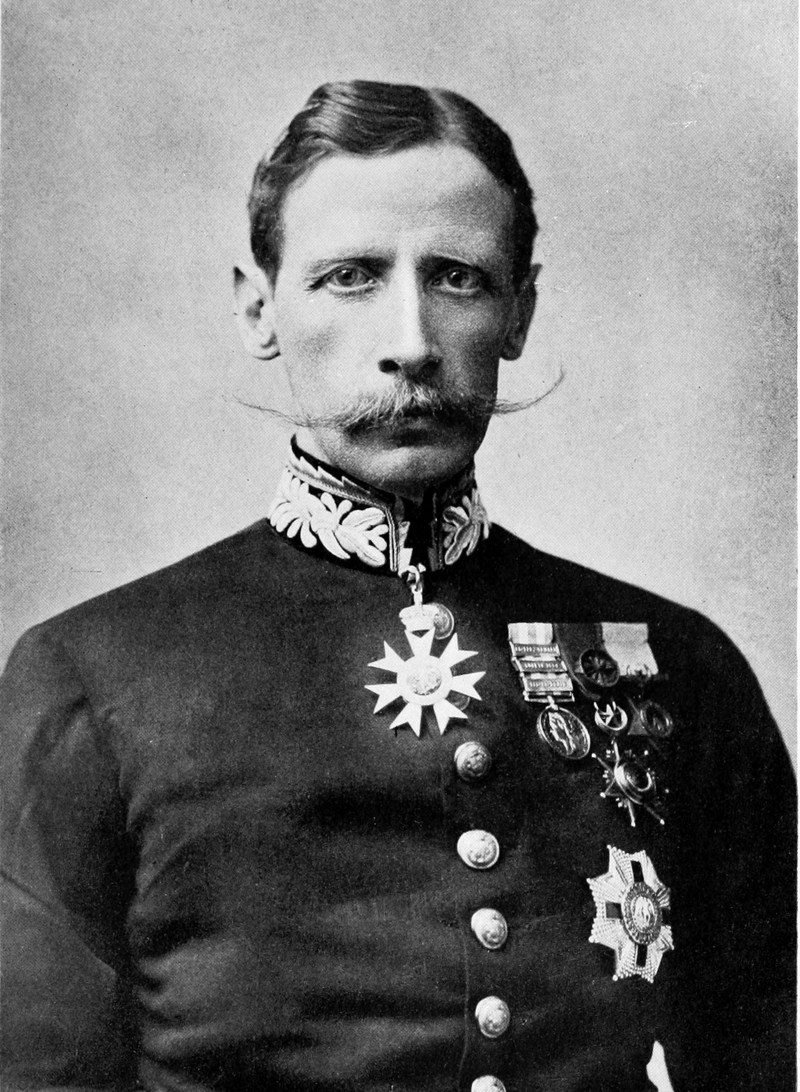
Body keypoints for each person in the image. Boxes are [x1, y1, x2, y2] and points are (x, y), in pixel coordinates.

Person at [1, 80, 794, 1092]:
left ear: (519, 311)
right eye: (350, 278)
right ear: (258, 307)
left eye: (458, 278)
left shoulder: (684, 669)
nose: (412, 342)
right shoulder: (91, 680)